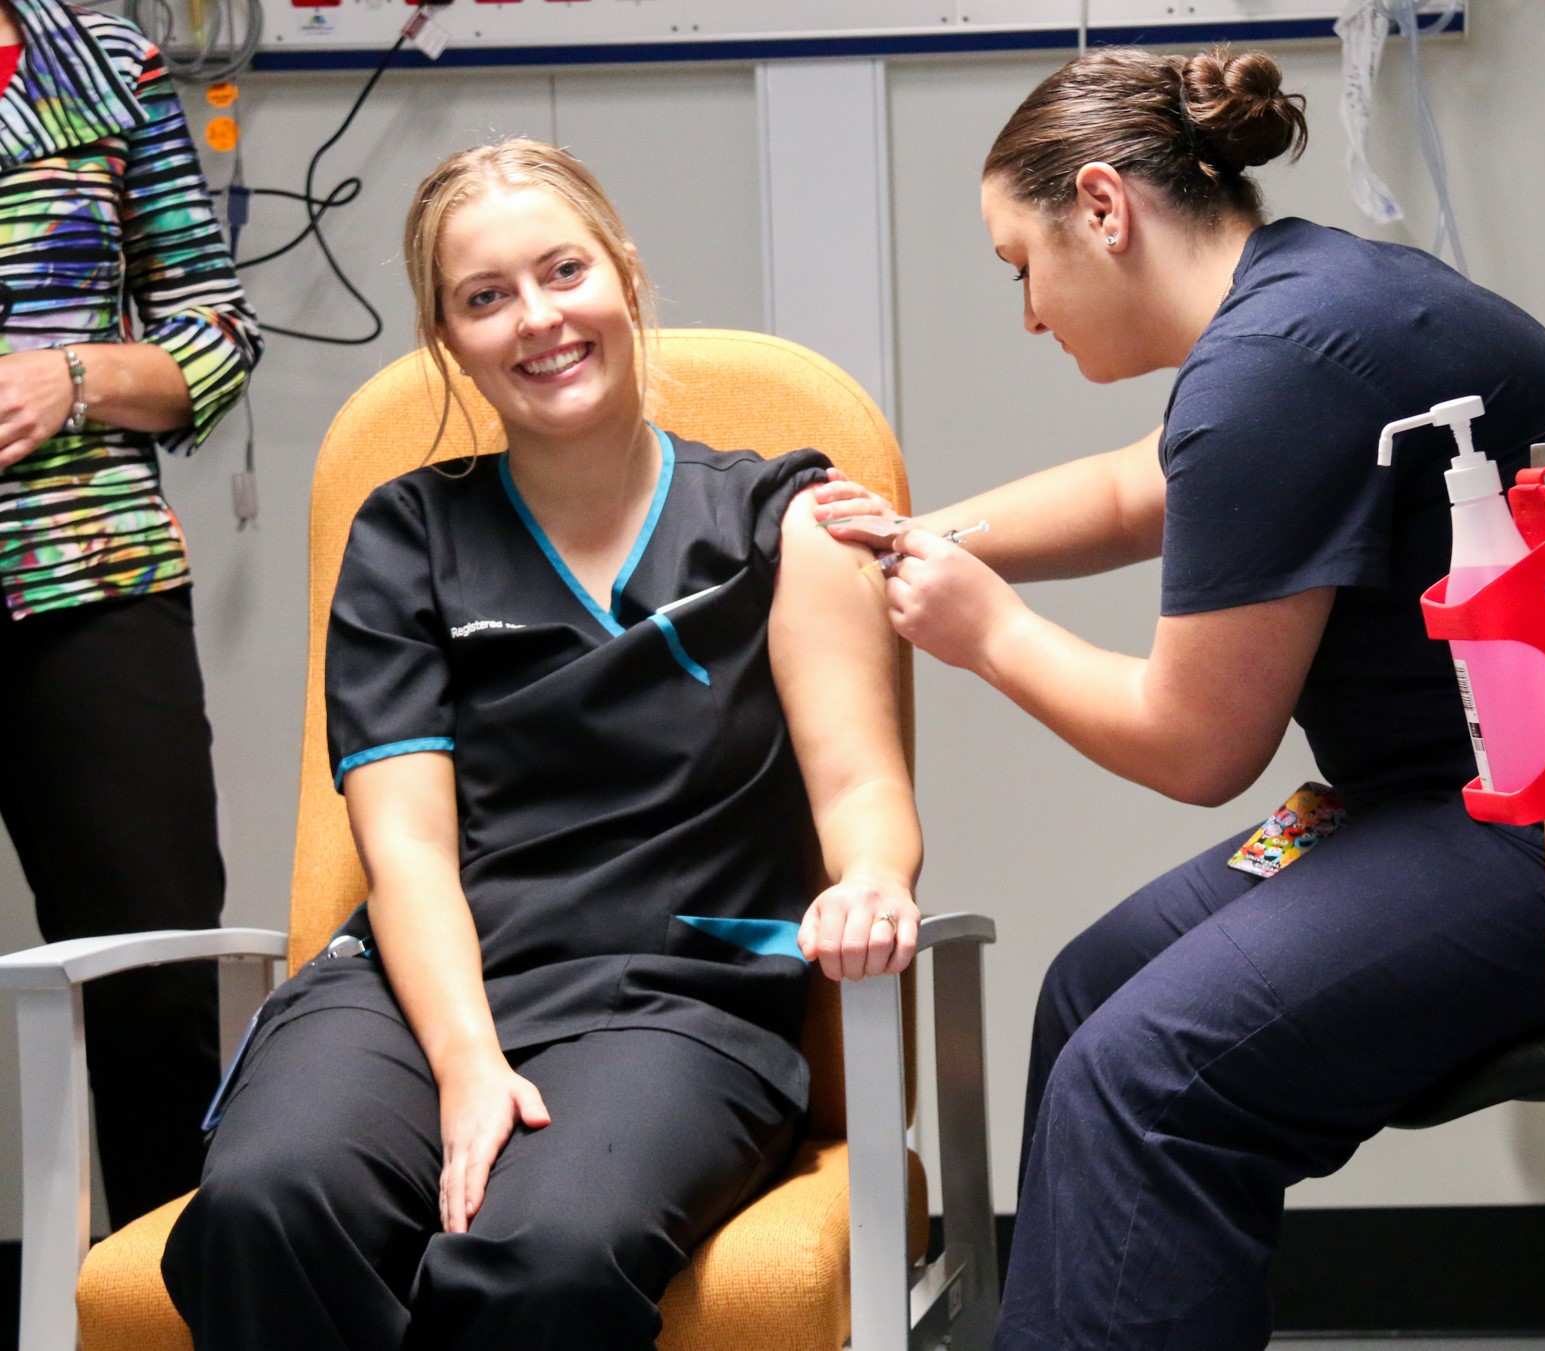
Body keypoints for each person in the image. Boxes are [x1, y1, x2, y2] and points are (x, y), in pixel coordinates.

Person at [816, 46, 1545, 1350]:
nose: (1031, 314)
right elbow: (1136, 487)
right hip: (1454, 796)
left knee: (1145, 1078)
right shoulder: (1308, 301)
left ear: (1102, 207)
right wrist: (914, 536)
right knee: (1091, 987)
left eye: (1021, 266)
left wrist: (987, 632)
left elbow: (1196, 746)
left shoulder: (1279, 358)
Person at [159, 139, 919, 1349]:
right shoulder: (407, 537)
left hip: (671, 1000)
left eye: (563, 271)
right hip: (415, 990)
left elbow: (859, 781)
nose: (537, 318)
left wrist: (872, 878)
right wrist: (466, 1062)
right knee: (267, 1205)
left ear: (624, 275)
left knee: (541, 1255)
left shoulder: (781, 520)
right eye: (485, 297)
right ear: (447, 340)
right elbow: (405, 851)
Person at [0, 0, 261, 1226]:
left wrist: (74, 376)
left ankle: (169, 1294)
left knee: (155, 990)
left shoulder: (105, 64)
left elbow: (218, 329)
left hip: (91, 579)